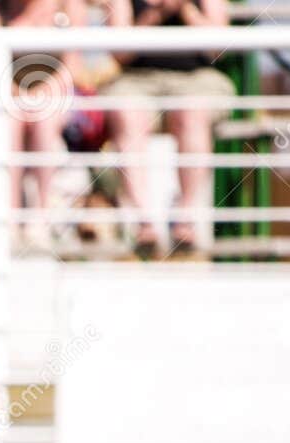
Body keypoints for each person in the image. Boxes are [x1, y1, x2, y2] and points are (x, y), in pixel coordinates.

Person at [102, 0, 234, 256]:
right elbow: (119, 52)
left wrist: (185, 8)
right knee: (126, 112)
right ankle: (144, 223)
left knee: (191, 111)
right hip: (137, 81)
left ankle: (185, 219)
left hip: (196, 80)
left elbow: (219, 47)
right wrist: (156, 14)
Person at [0, 0, 85, 246]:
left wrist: (40, 92)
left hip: (57, 92)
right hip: (9, 93)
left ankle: (39, 216)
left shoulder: (68, 6)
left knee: (44, 121)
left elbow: (73, 67)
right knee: (9, 122)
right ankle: (7, 217)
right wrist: (18, 93)